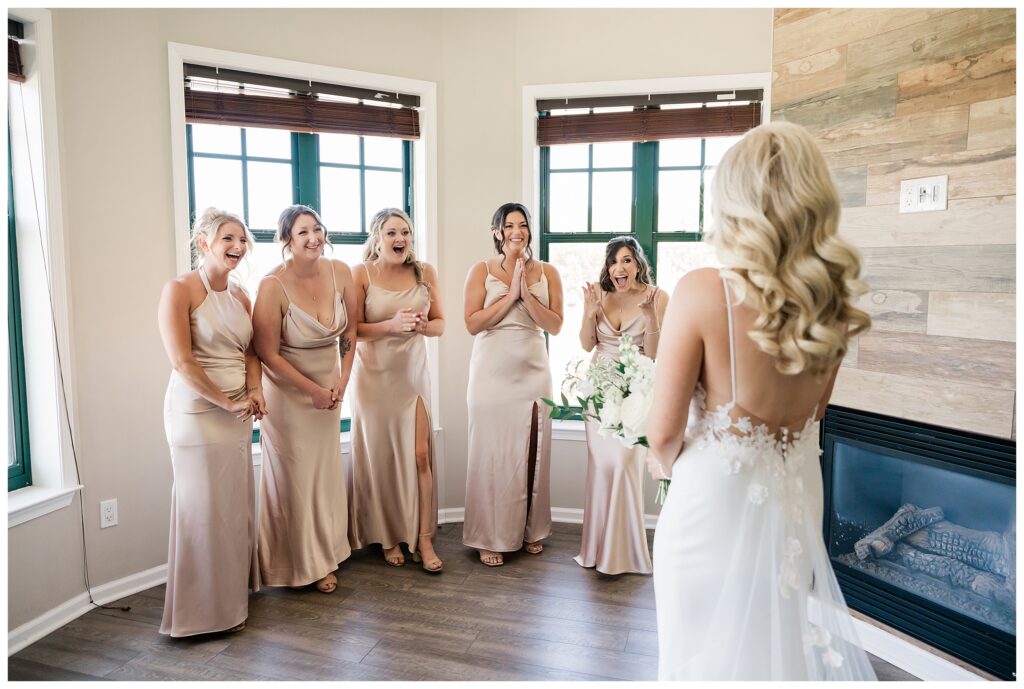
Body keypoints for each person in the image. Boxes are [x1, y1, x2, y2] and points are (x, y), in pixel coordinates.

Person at [647, 122, 875, 680]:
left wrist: (666, 465)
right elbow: (814, 416)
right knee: (773, 651)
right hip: (794, 503)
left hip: (710, 511)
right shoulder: (835, 306)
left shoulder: (703, 290)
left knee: (700, 659)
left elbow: (661, 435)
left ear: (733, 200)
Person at [157, 207, 263, 636]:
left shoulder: (240, 295)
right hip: (197, 413)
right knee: (201, 509)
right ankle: (200, 615)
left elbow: (252, 352)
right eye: (228, 240)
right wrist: (223, 401)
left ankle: (231, 602)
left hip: (237, 412)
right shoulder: (178, 290)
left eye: (242, 240)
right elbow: (182, 361)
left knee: (232, 509)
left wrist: (254, 392)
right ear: (205, 243)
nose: (237, 248)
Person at [253, 205, 358, 594]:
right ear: (286, 241)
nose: (313, 237)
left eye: (316, 229)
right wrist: (311, 391)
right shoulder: (271, 286)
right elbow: (267, 354)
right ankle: (301, 564)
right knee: (295, 477)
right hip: (288, 394)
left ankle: (326, 552)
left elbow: (351, 332)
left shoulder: (341, 271)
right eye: (302, 232)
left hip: (330, 388)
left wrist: (342, 381)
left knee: (323, 472)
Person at [463, 202, 564, 567]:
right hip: (491, 372)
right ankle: (488, 536)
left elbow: (554, 325)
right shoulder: (481, 270)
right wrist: (509, 295)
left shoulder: (548, 272)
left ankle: (529, 529)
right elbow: (473, 324)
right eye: (509, 226)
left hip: (533, 369)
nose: (516, 231)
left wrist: (526, 294)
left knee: (532, 448)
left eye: (522, 225)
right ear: (497, 232)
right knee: (492, 454)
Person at [347, 208, 445, 573]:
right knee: (383, 457)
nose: (399, 238)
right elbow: (352, 331)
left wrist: (422, 326)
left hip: (412, 376)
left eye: (404, 232)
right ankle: (388, 536)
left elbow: (441, 324)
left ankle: (423, 537)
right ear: (376, 237)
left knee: (420, 455)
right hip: (373, 379)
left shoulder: (425, 273)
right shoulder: (361, 274)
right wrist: (389, 325)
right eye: (390, 232)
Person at [575, 236, 668, 576]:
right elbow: (587, 345)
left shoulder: (657, 297)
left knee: (624, 466)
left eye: (627, 260)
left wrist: (650, 316)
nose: (619, 267)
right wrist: (588, 312)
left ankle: (624, 553)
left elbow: (655, 353)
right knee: (602, 467)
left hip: (636, 391)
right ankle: (597, 549)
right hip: (598, 391)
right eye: (614, 261)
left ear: (638, 264)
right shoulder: (600, 296)